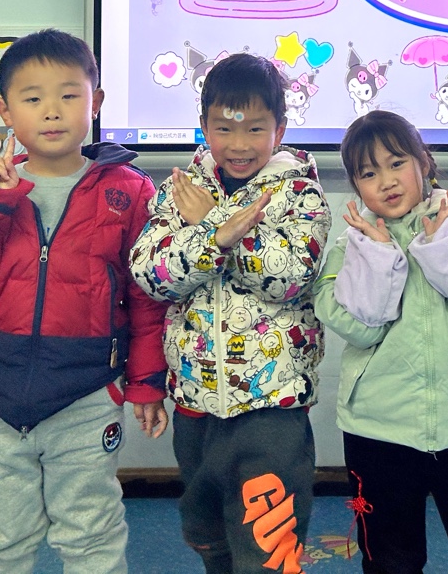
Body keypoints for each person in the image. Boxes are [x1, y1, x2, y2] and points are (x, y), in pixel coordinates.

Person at [0, 29, 168, 574]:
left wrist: (147, 382)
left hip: (86, 393)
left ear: (96, 102)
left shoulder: (129, 190)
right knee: (1, 535)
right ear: (5, 111)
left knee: (92, 531)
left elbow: (146, 297)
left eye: (69, 95)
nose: (52, 111)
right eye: (33, 98)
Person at [130, 53, 330, 574]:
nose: (239, 144)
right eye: (224, 128)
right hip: (195, 404)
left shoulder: (300, 192)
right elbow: (151, 274)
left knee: (267, 545)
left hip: (272, 405)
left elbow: (290, 276)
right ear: (204, 126)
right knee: (207, 533)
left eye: (255, 128)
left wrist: (215, 223)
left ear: (280, 129)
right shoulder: (180, 191)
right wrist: (214, 236)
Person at [318, 110, 448, 574]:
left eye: (396, 163)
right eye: (368, 173)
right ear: (356, 185)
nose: (386, 181)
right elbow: (361, 327)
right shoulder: (353, 243)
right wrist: (377, 257)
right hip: (377, 427)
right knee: (389, 555)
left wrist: (445, 249)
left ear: (423, 162)